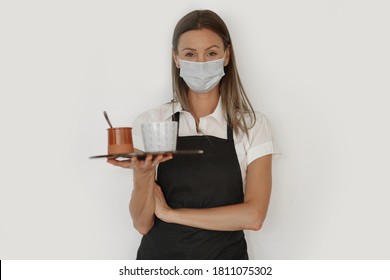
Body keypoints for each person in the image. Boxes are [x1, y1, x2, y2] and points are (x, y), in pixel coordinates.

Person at [108, 9, 278, 260]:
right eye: (190, 54)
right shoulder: (152, 123)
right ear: (176, 58)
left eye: (211, 53)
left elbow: (254, 216)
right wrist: (143, 175)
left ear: (226, 56)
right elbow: (142, 224)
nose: (201, 63)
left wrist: (170, 214)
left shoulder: (251, 125)